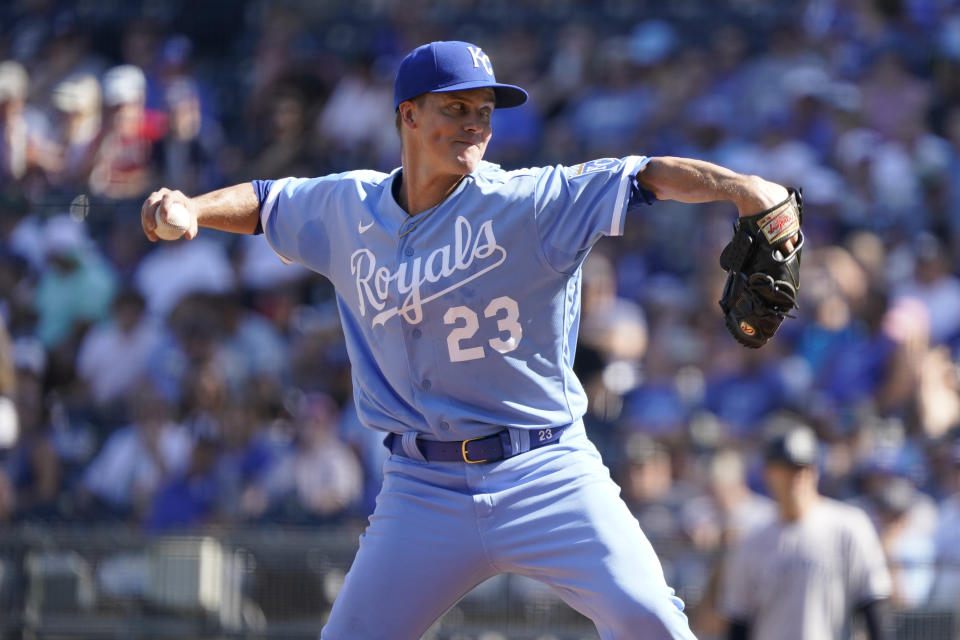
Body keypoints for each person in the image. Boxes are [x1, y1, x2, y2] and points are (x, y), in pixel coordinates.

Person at [141, 40, 798, 640]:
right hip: (421, 488)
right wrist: (193, 209)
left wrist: (744, 189)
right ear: (408, 117)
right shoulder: (347, 206)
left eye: (484, 110)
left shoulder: (529, 202)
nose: (475, 124)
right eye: (455, 108)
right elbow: (266, 201)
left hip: (545, 471)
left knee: (651, 622)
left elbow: (646, 175)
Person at [721, 423, 892, 640]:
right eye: (786, 468)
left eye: (802, 467)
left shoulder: (848, 526)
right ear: (768, 473)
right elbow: (739, 622)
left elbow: (873, 604)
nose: (795, 477)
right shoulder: (753, 539)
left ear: (814, 470)